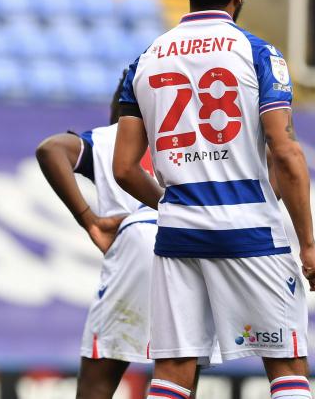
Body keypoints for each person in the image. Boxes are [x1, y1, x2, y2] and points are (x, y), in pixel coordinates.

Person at [113, 0, 315, 399]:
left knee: (172, 370)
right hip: (248, 228)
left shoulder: (145, 60)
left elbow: (125, 167)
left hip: (177, 235)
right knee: (287, 366)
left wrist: (173, 203)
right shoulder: (257, 53)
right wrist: (308, 244)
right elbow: (285, 151)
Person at [37, 74, 208, 398]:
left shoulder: (107, 137)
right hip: (189, 241)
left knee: (97, 382)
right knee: (181, 375)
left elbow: (51, 149)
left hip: (136, 239)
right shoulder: (193, 136)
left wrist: (89, 220)